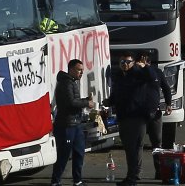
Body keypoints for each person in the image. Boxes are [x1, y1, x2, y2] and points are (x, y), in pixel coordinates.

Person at [103, 51, 171, 186]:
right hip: (123, 116)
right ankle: (134, 175)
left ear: (133, 63)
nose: (124, 64)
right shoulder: (119, 76)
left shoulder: (139, 73)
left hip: (137, 116)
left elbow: (153, 79)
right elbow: (117, 93)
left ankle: (134, 177)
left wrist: (145, 66)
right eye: (122, 62)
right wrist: (109, 102)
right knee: (130, 148)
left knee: (139, 146)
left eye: (128, 62)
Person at [51, 59, 94, 186]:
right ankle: (55, 181)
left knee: (79, 153)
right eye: (78, 70)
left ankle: (78, 180)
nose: (81, 73)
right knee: (64, 155)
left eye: (82, 70)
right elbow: (71, 102)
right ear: (71, 70)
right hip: (66, 125)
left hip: (76, 124)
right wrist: (87, 103)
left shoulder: (72, 82)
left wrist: (85, 100)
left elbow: (74, 100)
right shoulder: (66, 83)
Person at [138, 51, 173, 180]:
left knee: (157, 143)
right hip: (139, 114)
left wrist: (168, 103)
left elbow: (166, 88)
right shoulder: (136, 73)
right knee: (138, 143)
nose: (143, 63)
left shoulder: (156, 72)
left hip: (155, 112)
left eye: (145, 61)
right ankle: (136, 172)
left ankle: (159, 171)